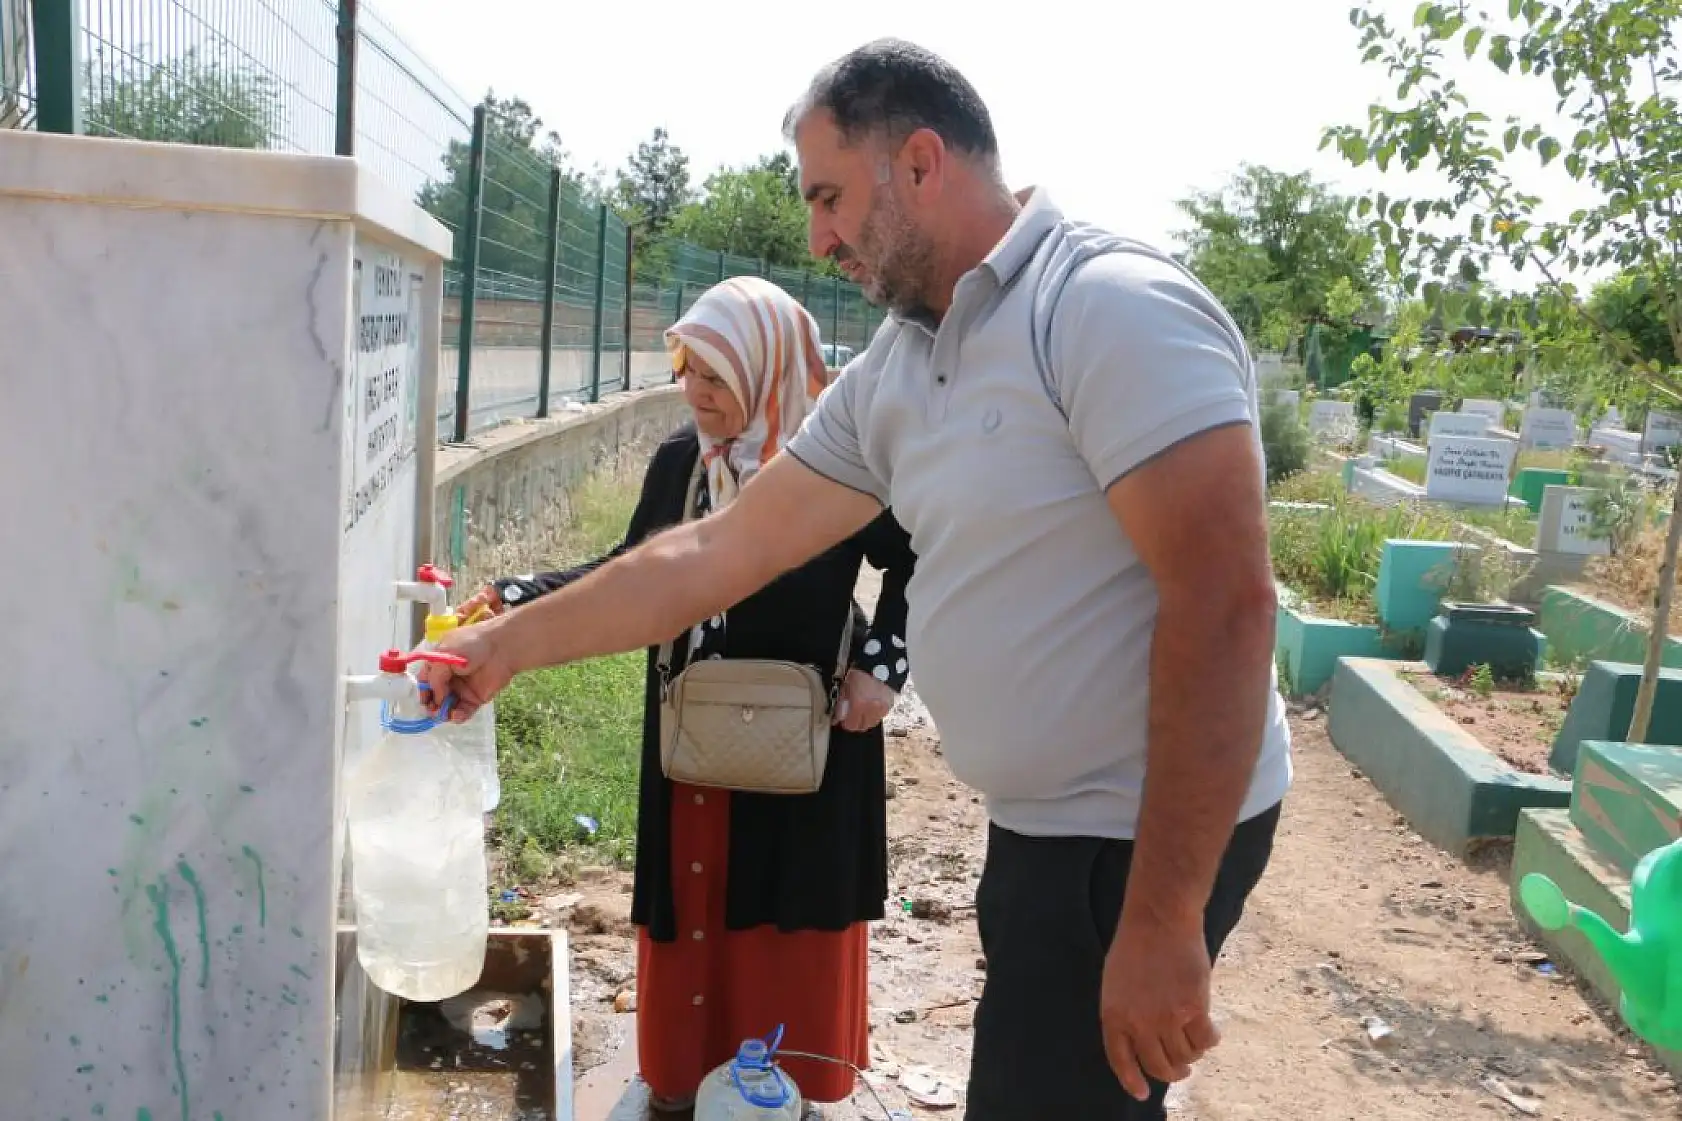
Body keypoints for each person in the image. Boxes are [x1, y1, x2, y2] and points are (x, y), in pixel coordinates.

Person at [422, 39, 1291, 1120]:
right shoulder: (902, 366)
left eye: (828, 196)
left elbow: (1224, 604)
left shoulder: (1106, 309)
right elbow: (715, 551)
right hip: (1044, 821)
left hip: (1131, 824)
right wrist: (504, 643)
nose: (814, 235)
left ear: (920, 164)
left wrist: (1161, 919)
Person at [456, 275, 916, 1113]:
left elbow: (917, 550)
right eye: (687, 369)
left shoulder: (834, 468)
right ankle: (685, 1081)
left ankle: (784, 1088)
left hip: (806, 733)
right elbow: (631, 569)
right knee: (699, 895)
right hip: (690, 733)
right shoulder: (681, 464)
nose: (693, 391)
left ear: (764, 369)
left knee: (786, 904)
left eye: (716, 374)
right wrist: (517, 598)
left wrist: (880, 667)